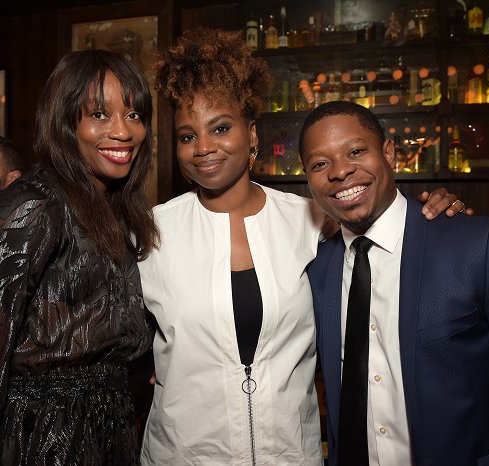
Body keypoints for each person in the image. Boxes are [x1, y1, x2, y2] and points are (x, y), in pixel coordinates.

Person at [137, 28, 469, 465]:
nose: (204, 147)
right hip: (182, 455)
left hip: (292, 454)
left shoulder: (312, 220)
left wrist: (441, 216)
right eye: (186, 136)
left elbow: (389, 233)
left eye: (220, 127)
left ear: (252, 134)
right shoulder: (149, 232)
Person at [0, 49, 159, 464]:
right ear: (65, 122)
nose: (124, 131)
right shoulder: (32, 208)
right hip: (40, 442)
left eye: (135, 115)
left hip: (107, 435)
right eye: (100, 115)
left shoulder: (115, 208)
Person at [301, 100, 489, 466]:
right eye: (320, 164)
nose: (340, 171)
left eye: (356, 151)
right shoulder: (316, 270)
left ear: (389, 153)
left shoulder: (478, 246)